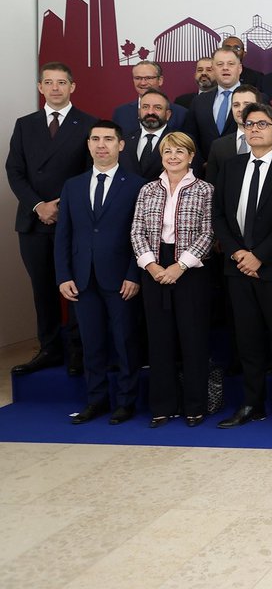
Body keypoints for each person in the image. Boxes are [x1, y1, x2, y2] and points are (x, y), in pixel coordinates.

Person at [212, 103, 272, 433]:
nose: (254, 129)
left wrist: (260, 256)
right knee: (247, 341)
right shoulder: (231, 166)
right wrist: (239, 253)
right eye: (249, 124)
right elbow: (219, 215)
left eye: (262, 124)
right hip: (237, 268)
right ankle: (252, 404)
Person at [54, 120, 146, 425]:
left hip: (121, 277)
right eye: (95, 139)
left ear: (121, 145)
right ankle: (95, 401)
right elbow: (64, 235)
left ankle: (125, 402)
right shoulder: (73, 185)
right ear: (89, 145)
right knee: (91, 343)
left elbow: (142, 234)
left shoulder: (137, 185)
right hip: (82, 278)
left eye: (108, 139)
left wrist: (134, 274)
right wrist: (63, 275)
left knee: (124, 341)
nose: (101, 144)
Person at [8, 62, 95, 377]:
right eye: (49, 82)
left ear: (73, 86)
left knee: (76, 289)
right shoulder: (25, 124)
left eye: (62, 82)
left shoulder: (88, 124)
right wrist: (38, 206)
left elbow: (91, 174)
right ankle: (48, 348)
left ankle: (78, 350)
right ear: (40, 87)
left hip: (71, 221)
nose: (55, 88)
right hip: (33, 221)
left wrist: (62, 207)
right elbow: (14, 172)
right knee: (42, 289)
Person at [130, 132, 214, 428]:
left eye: (180, 151)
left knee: (193, 339)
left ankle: (195, 406)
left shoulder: (205, 190)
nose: (173, 156)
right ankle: (162, 406)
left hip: (191, 269)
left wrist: (181, 265)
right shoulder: (147, 190)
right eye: (168, 151)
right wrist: (151, 266)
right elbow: (136, 231)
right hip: (154, 266)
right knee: (159, 339)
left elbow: (208, 233)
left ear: (191, 156)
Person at [182, 45, 242, 162]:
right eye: (220, 64)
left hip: (244, 170)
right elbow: (190, 137)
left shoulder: (257, 98)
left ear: (239, 68)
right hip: (207, 171)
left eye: (230, 64)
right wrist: (200, 163)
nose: (225, 68)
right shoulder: (199, 101)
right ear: (213, 69)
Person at [111, 60, 187, 136]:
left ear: (160, 80)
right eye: (138, 78)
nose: (143, 83)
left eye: (148, 78)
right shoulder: (121, 113)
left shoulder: (181, 114)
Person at [119, 88, 173, 180]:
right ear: (139, 112)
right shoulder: (124, 141)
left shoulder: (180, 141)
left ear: (168, 115)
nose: (150, 112)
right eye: (145, 107)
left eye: (157, 108)